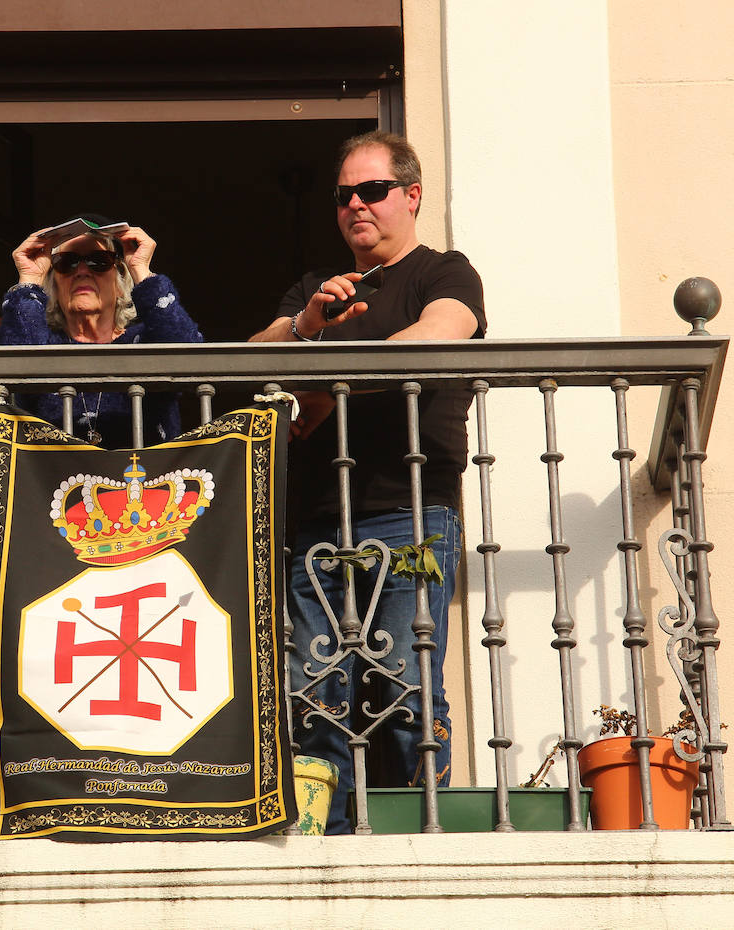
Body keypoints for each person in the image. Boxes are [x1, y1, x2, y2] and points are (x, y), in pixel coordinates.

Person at [251, 132, 486, 834]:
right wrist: (307, 324)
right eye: (344, 195)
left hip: (409, 515)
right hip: (320, 520)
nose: (356, 204)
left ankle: (425, 834)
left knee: (407, 687)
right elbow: (249, 360)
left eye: (372, 190)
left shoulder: (443, 271)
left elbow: (443, 332)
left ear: (411, 195)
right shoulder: (315, 292)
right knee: (316, 690)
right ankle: (323, 835)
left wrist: (329, 386)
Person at [0, 214, 202, 448]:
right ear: (53, 284)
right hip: (56, 480)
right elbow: (15, 366)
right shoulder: (44, 344)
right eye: (67, 262)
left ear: (120, 282)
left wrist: (141, 270)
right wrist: (30, 278)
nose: (82, 271)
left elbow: (187, 353)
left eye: (99, 261)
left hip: (144, 480)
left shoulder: (142, 342)